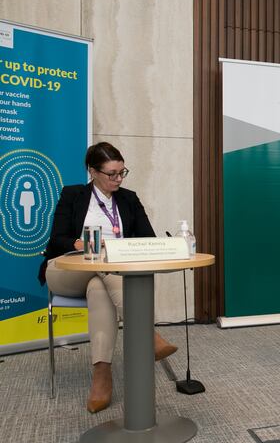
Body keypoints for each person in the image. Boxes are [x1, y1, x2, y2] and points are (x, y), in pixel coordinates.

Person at [39, 141, 178, 413]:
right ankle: (147, 334)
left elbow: (148, 239)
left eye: (122, 172)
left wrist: (116, 250)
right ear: (93, 172)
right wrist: (84, 245)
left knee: (99, 288)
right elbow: (56, 239)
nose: (118, 179)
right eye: (111, 174)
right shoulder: (72, 195)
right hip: (66, 270)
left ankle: (101, 376)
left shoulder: (129, 199)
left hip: (108, 274)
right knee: (102, 264)